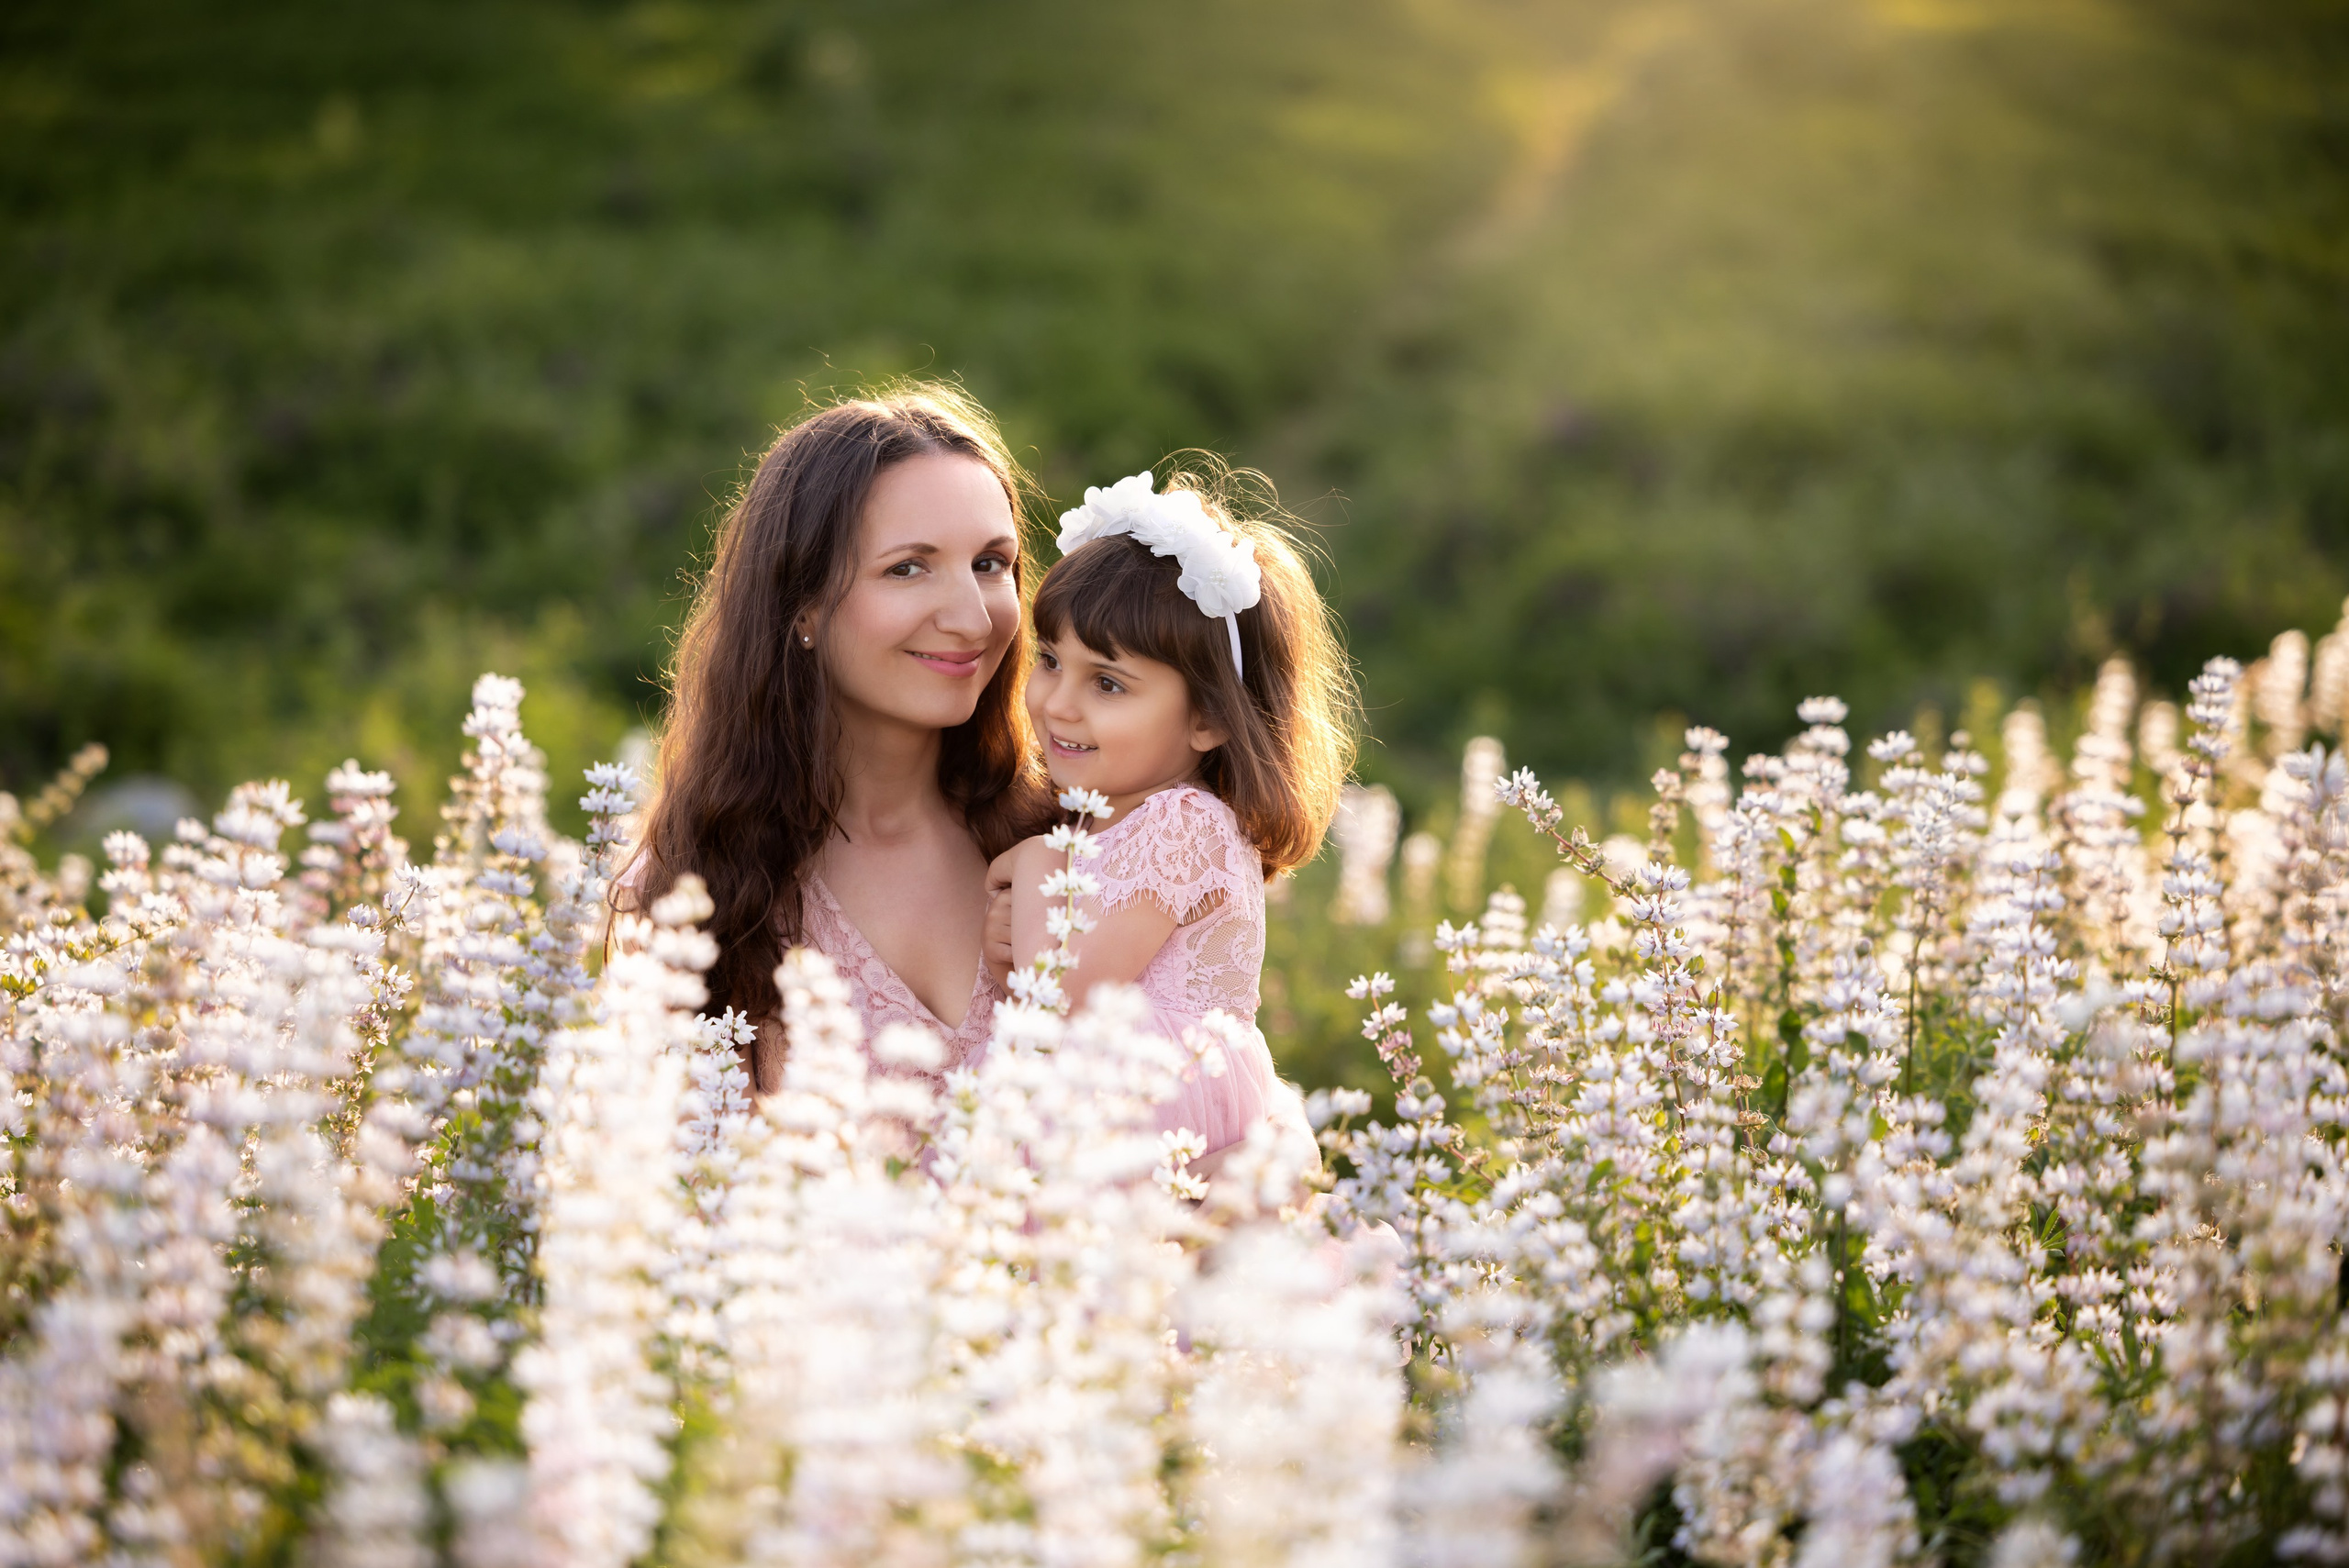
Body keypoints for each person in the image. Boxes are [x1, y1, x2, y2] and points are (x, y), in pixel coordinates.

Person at [624, 384, 1052, 1094]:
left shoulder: (1072, 839)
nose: (974, 619)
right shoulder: (694, 890)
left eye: (990, 564)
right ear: (804, 607)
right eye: (907, 568)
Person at [990, 465, 1355, 1172]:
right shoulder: (1104, 818)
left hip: (1159, 1120)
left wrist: (1037, 863)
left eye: (1107, 683)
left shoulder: (1184, 823)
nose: (1057, 703)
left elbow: (1060, 1000)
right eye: (1050, 660)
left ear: (1209, 719)